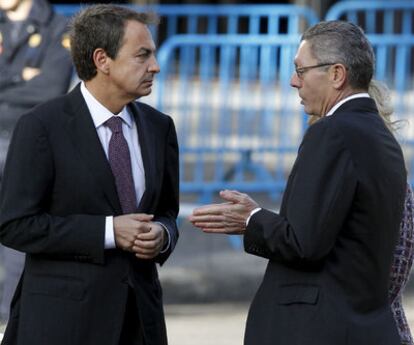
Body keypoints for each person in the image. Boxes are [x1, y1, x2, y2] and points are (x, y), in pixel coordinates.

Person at [190, 21, 407, 345]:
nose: (293, 82)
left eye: (300, 71)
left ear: (336, 74)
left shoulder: (331, 132)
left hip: (318, 328)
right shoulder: (385, 140)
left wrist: (251, 218)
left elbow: (303, 243)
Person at [0, 4, 179, 345]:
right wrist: (109, 231)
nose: (155, 66)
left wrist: (162, 234)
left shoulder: (159, 128)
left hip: (140, 322)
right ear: (102, 60)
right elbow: (15, 225)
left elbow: (168, 212)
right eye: (142, 55)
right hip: (64, 324)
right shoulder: (42, 126)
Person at [0, 0, 72, 323]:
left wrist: (6, 79)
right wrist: (21, 77)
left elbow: (51, 88)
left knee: (19, 233)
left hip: (27, 142)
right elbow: (33, 86)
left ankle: (9, 319)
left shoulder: (59, 27)